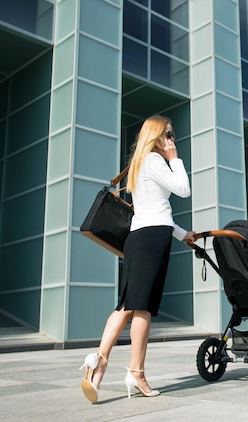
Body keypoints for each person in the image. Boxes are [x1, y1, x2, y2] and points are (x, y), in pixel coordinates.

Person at [79, 115, 195, 403]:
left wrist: (182, 235)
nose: (172, 139)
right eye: (168, 133)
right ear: (156, 135)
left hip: (138, 238)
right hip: (152, 239)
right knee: (142, 308)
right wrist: (175, 158)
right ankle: (136, 372)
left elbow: (153, 209)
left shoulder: (139, 163)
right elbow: (183, 190)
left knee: (125, 306)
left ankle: (98, 362)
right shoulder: (156, 162)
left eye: (173, 134)